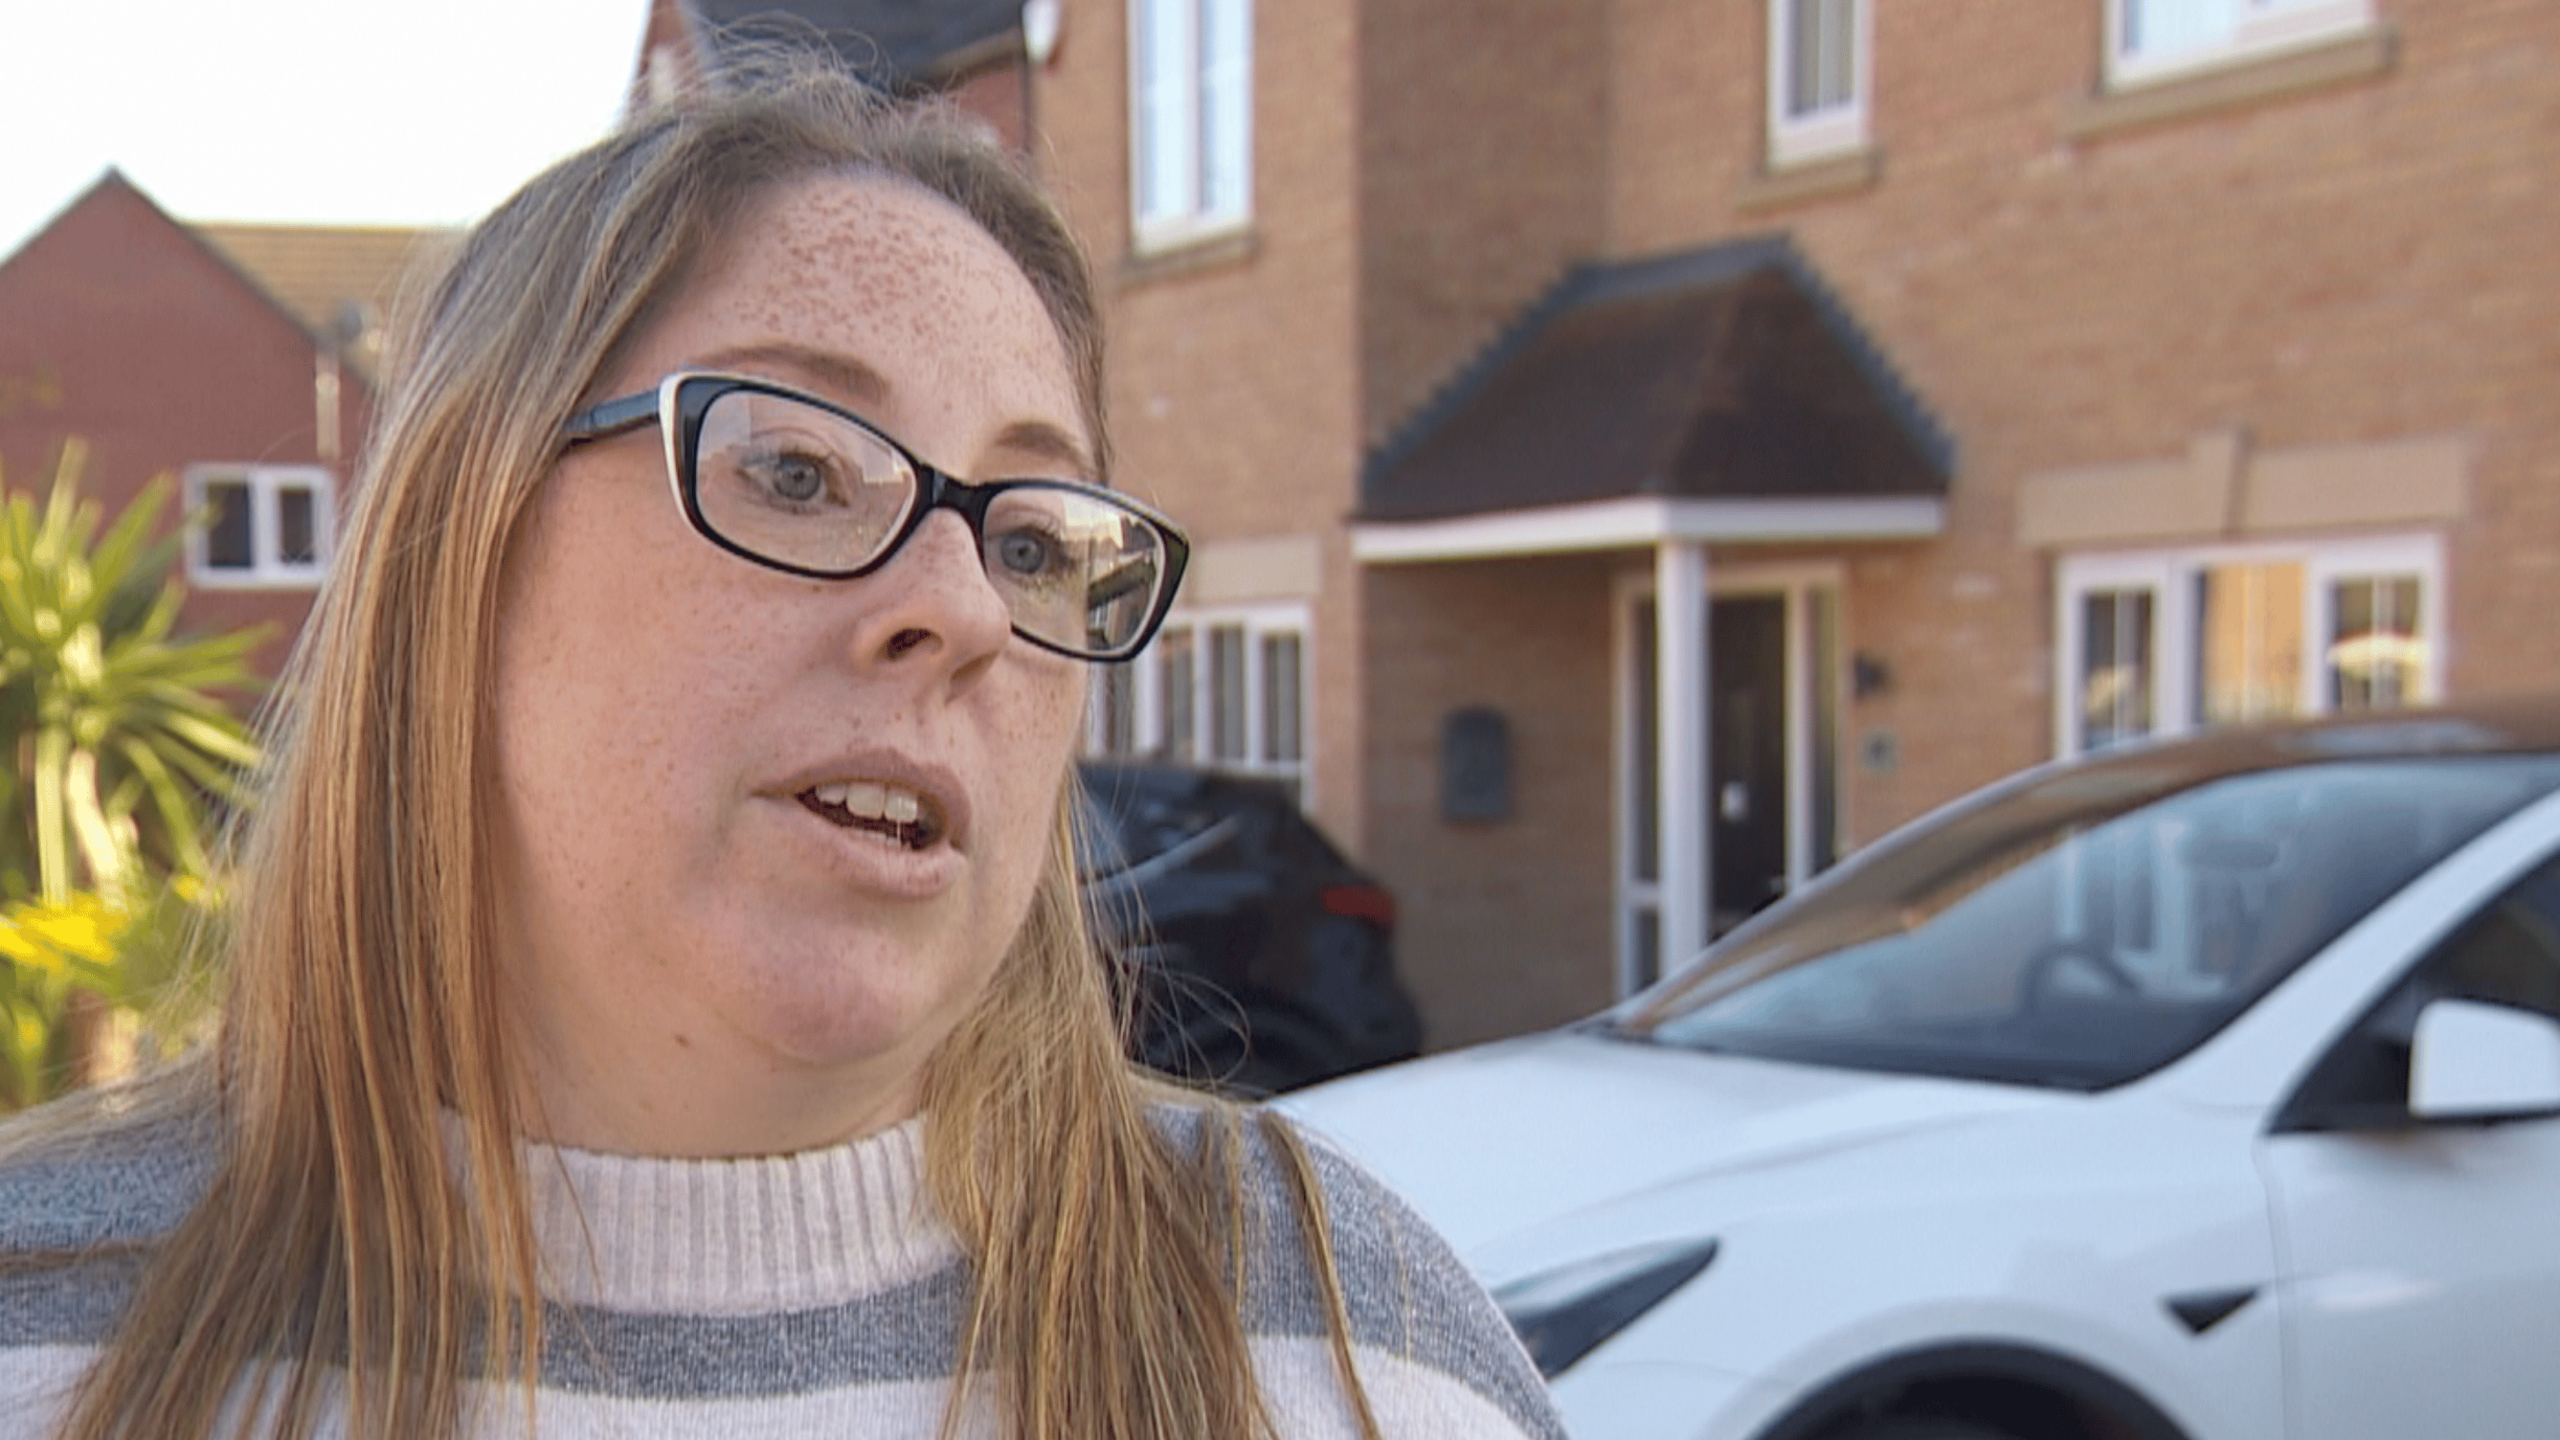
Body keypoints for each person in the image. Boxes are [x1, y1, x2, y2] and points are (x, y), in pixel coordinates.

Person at [0, 56, 1566, 1440]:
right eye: (799, 470)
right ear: (454, 561)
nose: (962, 608)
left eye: (1033, 542)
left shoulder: (1360, 1358)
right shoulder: (47, 1342)